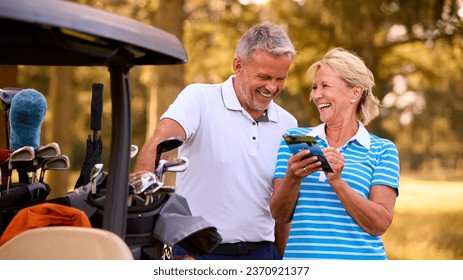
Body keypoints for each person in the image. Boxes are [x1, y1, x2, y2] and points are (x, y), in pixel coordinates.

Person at [134, 22, 297, 260]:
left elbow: (283, 204)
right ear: (237, 65)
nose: (272, 87)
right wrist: (138, 194)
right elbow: (162, 141)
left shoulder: (288, 123)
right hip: (196, 254)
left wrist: (283, 260)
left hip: (262, 255)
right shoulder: (199, 99)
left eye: (280, 78)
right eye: (264, 77)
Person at [270, 47, 400, 260]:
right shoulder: (296, 140)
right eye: (315, 87)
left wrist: (337, 182)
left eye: (325, 86)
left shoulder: (382, 150)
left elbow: (380, 224)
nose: (316, 95)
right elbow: (279, 214)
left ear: (355, 93)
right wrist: (293, 177)